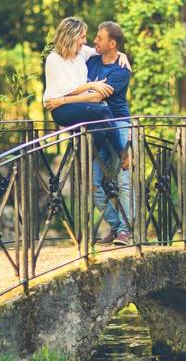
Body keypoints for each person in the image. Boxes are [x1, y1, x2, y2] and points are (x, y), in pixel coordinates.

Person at [42, 17, 127, 164]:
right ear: (71, 37)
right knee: (103, 112)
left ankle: (84, 161)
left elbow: (105, 49)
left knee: (101, 124)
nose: (85, 40)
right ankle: (123, 155)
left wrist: (121, 54)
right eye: (82, 37)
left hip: (79, 106)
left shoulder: (81, 53)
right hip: (61, 109)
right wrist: (91, 85)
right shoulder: (54, 59)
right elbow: (67, 89)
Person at [86, 21, 134, 246]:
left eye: (100, 37)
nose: (95, 40)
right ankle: (116, 227)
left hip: (119, 125)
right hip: (99, 128)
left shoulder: (121, 69)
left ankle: (127, 231)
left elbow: (97, 97)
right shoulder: (91, 61)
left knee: (123, 180)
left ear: (112, 43)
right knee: (93, 184)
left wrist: (90, 89)